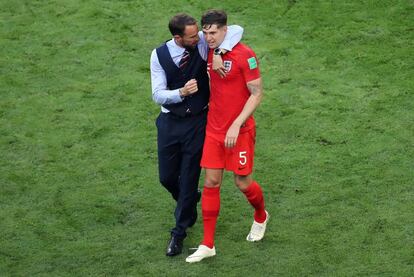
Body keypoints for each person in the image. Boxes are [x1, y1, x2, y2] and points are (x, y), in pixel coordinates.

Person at [150, 13, 243, 257]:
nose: (200, 39)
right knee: (167, 177)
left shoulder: (201, 43)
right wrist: (180, 92)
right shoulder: (158, 55)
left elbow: (235, 30)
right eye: (193, 37)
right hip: (169, 122)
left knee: (190, 177)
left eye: (199, 34)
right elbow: (157, 94)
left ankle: (179, 233)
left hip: (198, 123)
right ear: (177, 37)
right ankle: (189, 201)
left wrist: (221, 53)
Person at [186, 10, 269, 263]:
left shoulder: (246, 55)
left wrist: (236, 124)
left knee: (242, 183)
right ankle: (207, 244)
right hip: (214, 129)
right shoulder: (209, 47)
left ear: (225, 30)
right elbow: (203, 38)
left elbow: (257, 94)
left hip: (240, 131)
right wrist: (218, 51)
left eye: (214, 33)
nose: (209, 37)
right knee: (211, 182)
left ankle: (261, 215)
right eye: (206, 32)